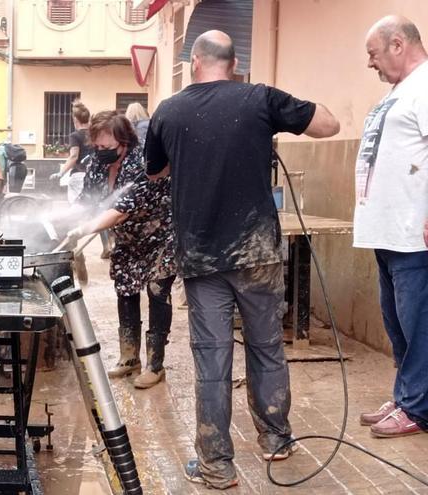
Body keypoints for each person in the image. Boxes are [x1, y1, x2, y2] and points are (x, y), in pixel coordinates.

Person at [145, 30, 339, 489]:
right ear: (234, 63)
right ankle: (275, 439)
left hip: (201, 255)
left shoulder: (168, 111)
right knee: (267, 346)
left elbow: (155, 170)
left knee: (212, 358)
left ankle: (216, 465)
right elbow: (328, 124)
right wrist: (270, 118)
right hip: (257, 252)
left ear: (195, 62)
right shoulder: (261, 98)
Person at [354, 15, 428, 439]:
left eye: (373, 53)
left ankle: (418, 407)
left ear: (398, 44)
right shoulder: (400, 91)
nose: (370, 63)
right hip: (385, 230)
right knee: (397, 322)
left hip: (411, 232)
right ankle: (407, 396)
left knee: (418, 323)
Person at [66, 110, 176, 389]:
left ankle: (155, 365)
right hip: (127, 239)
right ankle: (129, 359)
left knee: (156, 292)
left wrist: (86, 229)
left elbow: (121, 210)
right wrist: (69, 219)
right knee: (125, 291)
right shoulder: (97, 164)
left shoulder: (142, 164)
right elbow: (86, 200)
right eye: (98, 147)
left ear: (124, 142)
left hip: (160, 235)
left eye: (108, 147)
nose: (102, 152)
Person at [51, 100, 94, 204]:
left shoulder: (75, 136)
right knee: (91, 205)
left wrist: (61, 173)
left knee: (77, 206)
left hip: (79, 175)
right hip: (94, 174)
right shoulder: (95, 134)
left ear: (75, 119)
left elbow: (74, 156)